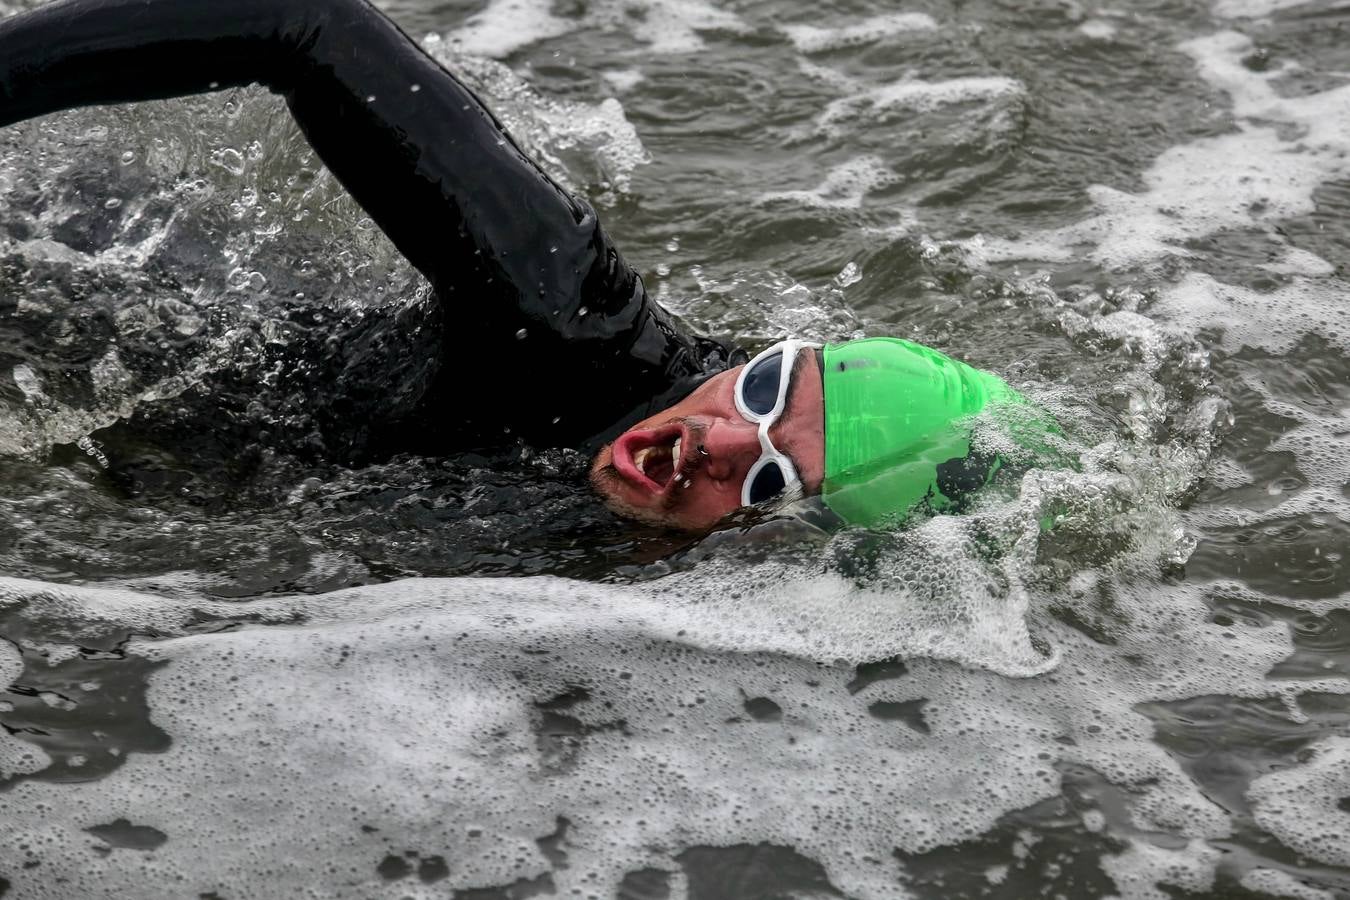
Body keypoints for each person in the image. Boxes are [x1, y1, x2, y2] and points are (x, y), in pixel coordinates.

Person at [0, 0, 1044, 534]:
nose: (715, 437)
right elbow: (308, 23)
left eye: (768, 478)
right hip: (73, 287)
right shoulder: (569, 323)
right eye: (765, 387)